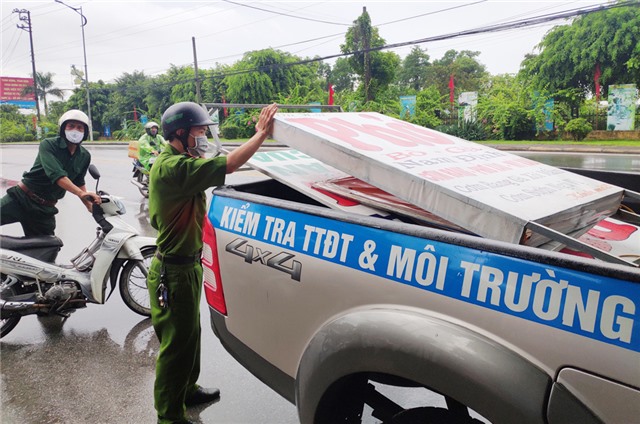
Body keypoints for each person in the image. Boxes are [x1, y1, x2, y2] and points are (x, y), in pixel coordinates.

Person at [147, 101, 278, 424]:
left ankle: (187, 390)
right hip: (172, 271)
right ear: (180, 134)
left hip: (188, 266)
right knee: (176, 345)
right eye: (200, 131)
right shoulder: (173, 168)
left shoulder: (183, 160)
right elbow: (230, 164)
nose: (204, 136)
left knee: (190, 335)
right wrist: (260, 134)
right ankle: (168, 415)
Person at [0, 109, 101, 237]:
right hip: (21, 199)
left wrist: (89, 205)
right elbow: (57, 175)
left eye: (80, 128)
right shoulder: (48, 145)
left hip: (45, 209)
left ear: (85, 132)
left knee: (46, 250)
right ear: (63, 128)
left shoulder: (84, 156)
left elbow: (79, 181)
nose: (75, 130)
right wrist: (81, 193)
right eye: (71, 126)